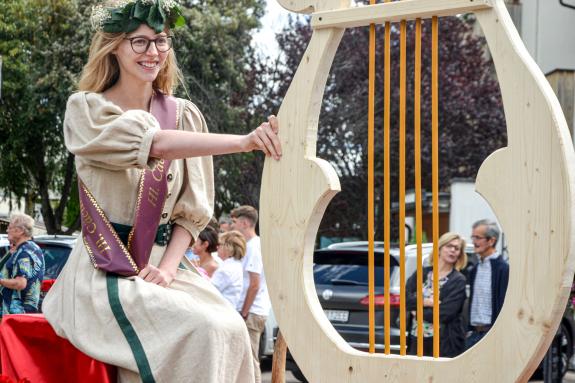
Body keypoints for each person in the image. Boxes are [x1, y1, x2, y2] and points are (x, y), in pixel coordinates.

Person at [42, 1, 281, 382]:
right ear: (114, 46)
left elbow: (191, 210)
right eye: (139, 42)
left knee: (231, 330)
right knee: (200, 328)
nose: (152, 52)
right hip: (105, 267)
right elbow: (155, 144)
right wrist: (245, 141)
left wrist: (169, 268)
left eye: (161, 41)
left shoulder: (184, 114)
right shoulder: (86, 110)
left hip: (165, 264)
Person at [406, 232, 468, 357]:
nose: (453, 250)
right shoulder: (422, 273)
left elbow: (444, 313)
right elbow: (405, 299)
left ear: (460, 254)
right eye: (449, 246)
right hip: (416, 338)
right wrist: (427, 302)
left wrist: (417, 312)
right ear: (439, 249)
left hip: (442, 342)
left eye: (457, 248)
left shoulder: (458, 280)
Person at [230, 205, 270, 383]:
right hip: (252, 310)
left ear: (245, 223)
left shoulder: (254, 247)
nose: (233, 226)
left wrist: (244, 311)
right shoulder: (253, 245)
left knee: (251, 358)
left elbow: (254, 284)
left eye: (235, 222)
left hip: (251, 311)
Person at [466, 219, 509, 349]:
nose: (474, 241)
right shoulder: (474, 269)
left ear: (491, 241)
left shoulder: (503, 269)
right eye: (473, 237)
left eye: (478, 237)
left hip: (491, 335)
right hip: (473, 334)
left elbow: (504, 304)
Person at [1, 213, 45, 316]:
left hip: (16, 314)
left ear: (20, 231)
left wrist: (1, 281)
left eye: (10, 227)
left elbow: (20, 283)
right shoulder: (31, 248)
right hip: (18, 314)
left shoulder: (24, 253)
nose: (7, 230)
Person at [211, 230, 245, 308]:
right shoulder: (235, 265)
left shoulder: (226, 270)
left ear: (228, 248)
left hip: (221, 310)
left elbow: (210, 290)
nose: (217, 247)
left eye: (220, 244)